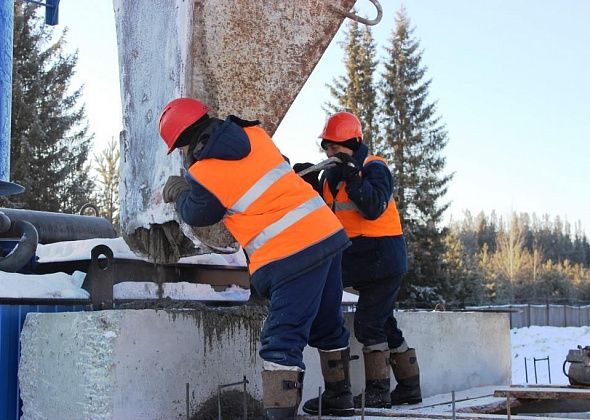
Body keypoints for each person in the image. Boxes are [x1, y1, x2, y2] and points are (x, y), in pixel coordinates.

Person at [158, 98, 355, 418]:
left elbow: (199, 213)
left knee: (281, 339)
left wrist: (179, 192)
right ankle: (339, 396)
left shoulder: (205, 172)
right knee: (326, 320)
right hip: (326, 235)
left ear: (183, 143)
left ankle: (281, 414)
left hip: (291, 251)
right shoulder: (253, 135)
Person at [297, 111, 422, 409]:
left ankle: (378, 391)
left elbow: (373, 207)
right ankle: (409, 386)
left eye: (335, 146)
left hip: (383, 259)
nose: (329, 152)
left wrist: (354, 176)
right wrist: (311, 186)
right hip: (353, 259)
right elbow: (325, 218)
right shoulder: (330, 177)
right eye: (326, 147)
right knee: (382, 322)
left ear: (353, 143)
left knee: (368, 324)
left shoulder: (374, 166)